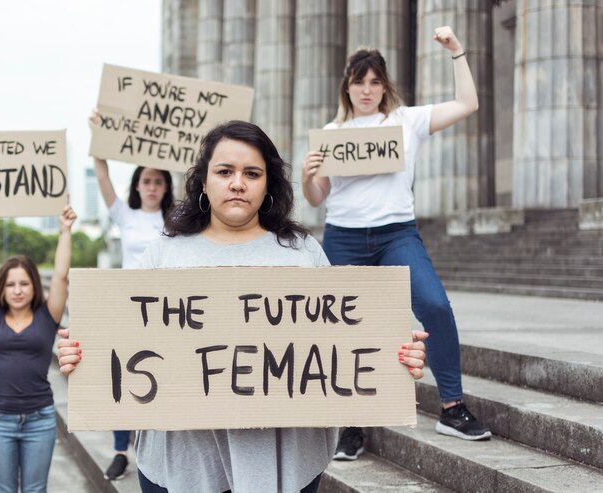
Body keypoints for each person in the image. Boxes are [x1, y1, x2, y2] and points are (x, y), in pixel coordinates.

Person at [58, 120, 428, 493]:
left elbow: (342, 341)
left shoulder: (303, 252)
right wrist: (81, 354)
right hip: (184, 463)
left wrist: (395, 353)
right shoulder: (164, 252)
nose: (238, 183)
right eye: (224, 172)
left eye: (252, 173)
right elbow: (124, 336)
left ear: (268, 183)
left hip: (283, 459)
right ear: (203, 181)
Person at [301, 26, 491, 460]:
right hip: (343, 239)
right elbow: (316, 198)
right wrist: (307, 175)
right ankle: (350, 424)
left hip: (396, 234)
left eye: (374, 82)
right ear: (346, 87)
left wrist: (457, 51)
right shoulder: (332, 132)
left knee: (435, 305)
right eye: (358, 82)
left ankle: (452, 407)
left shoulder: (406, 121)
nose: (366, 90)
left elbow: (468, 104)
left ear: (384, 86)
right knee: (344, 328)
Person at [0, 201, 76, 493]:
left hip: (40, 419)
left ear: (34, 286)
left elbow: (62, 277)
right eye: (10, 284)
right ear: (1, 287)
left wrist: (65, 231)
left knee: (35, 491)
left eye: (24, 284)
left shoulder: (47, 315)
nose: (17, 290)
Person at [89, 110, 175, 481]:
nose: (152, 186)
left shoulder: (178, 220)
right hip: (128, 306)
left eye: (158, 180)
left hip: (163, 308)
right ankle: (121, 449)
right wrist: (99, 137)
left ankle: (157, 451)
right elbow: (103, 174)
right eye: (146, 180)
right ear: (137, 186)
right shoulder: (125, 215)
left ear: (166, 186)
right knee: (121, 375)